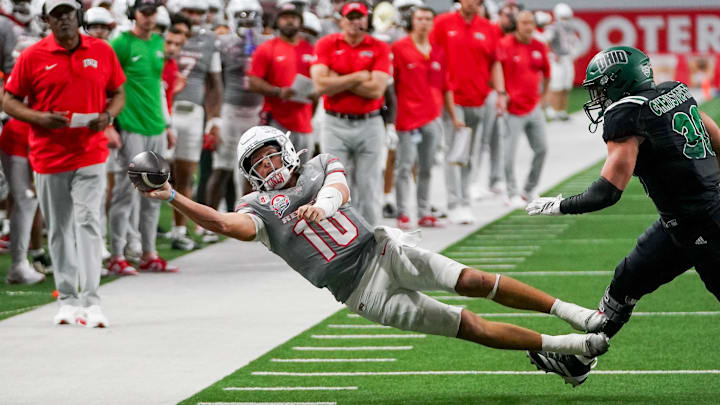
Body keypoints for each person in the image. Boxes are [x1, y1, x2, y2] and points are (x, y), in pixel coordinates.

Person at [140, 125, 610, 373]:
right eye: (256, 162)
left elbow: (338, 189)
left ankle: (573, 312)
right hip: (362, 292)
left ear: (284, 148)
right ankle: (569, 347)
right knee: (468, 326)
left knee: (471, 281)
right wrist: (174, 197)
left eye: (268, 153)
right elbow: (229, 224)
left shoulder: (319, 164)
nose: (266, 165)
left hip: (383, 250)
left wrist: (320, 208)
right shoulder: (256, 206)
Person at [525, 46, 720, 386]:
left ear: (619, 82)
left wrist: (558, 204)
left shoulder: (626, 115)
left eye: (600, 87)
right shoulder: (675, 91)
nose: (597, 96)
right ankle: (580, 358)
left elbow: (606, 193)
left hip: (705, 221)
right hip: (683, 219)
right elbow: (716, 138)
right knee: (628, 278)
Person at [3, 0, 126, 327]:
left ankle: (91, 300)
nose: (64, 20)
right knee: (58, 228)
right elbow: (9, 98)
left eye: (68, 13)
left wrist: (108, 116)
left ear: (78, 15)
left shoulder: (101, 51)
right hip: (48, 154)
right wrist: (38, 117)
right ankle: (68, 298)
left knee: (87, 220)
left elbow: (119, 92)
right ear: (46, 20)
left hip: (90, 151)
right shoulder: (32, 56)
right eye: (56, 15)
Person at [107, 0, 178, 274]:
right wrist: (110, 124)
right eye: (144, 12)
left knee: (157, 190)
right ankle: (116, 255)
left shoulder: (159, 42)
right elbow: (107, 84)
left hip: (155, 126)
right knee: (126, 193)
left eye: (152, 12)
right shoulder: (121, 43)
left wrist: (167, 124)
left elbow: (157, 87)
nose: (149, 17)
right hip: (131, 124)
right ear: (133, 14)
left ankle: (149, 253)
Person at [311, 1, 391, 227]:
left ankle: (373, 236)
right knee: (335, 182)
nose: (355, 22)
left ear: (366, 20)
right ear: (342, 20)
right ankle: (340, 235)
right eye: (351, 17)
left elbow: (376, 89)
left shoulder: (379, 46)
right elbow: (320, 85)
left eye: (360, 17)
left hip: (370, 121)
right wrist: (358, 77)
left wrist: (337, 78)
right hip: (335, 121)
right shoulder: (327, 43)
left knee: (369, 183)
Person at [430, 0, 507, 224]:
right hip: (452, 98)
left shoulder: (489, 27)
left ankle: (465, 198)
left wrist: (500, 93)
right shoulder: (443, 23)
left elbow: (496, 63)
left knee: (470, 153)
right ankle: (456, 203)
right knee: (455, 153)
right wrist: (437, 93)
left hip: (479, 98)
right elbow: (434, 58)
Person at [200, 0, 265, 243]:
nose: (247, 21)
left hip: (257, 110)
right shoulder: (223, 44)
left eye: (251, 16)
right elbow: (214, 83)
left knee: (256, 170)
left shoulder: (265, 44)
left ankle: (250, 220)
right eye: (242, 16)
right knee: (222, 167)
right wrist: (214, 117)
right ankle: (208, 224)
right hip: (230, 108)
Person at [391, 6, 461, 229]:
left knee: (427, 166)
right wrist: (390, 119)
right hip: (407, 118)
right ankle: (402, 212)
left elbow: (446, 85)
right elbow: (391, 86)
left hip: (432, 117)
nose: (423, 22)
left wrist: (453, 116)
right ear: (412, 21)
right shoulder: (399, 48)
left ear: (432, 23)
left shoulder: (439, 51)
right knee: (404, 166)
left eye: (427, 19)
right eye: (419, 18)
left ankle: (423, 211)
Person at [0, 0, 47, 284]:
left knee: (28, 199)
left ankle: (25, 260)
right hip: (18, 127)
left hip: (35, 129)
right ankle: (19, 262)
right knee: (24, 198)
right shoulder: (8, 30)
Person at [170, 0, 222, 250]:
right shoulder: (164, 35)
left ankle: (180, 229)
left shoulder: (210, 41)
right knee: (158, 172)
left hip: (193, 112)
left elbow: (214, 83)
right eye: (189, 12)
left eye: (199, 12)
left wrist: (214, 118)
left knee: (186, 174)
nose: (194, 17)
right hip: (166, 110)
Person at [248, 2, 314, 165]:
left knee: (303, 173)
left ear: (300, 22)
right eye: (285, 18)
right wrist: (278, 91)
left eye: (293, 18)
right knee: (274, 170)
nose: (289, 21)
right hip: (276, 119)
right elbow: (253, 82)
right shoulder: (267, 48)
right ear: (277, 21)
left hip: (304, 120)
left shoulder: (310, 49)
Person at [498, 10, 550, 208]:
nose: (528, 26)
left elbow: (546, 73)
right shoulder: (505, 44)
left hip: (533, 105)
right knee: (509, 153)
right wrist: (502, 93)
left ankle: (529, 188)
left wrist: (544, 97)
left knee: (542, 148)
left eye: (531, 22)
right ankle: (511, 192)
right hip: (512, 108)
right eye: (524, 22)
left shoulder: (538, 45)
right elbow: (495, 70)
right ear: (516, 24)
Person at [543, 2, 579, 121]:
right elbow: (546, 41)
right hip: (557, 60)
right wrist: (551, 55)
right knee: (556, 86)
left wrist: (573, 53)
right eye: (563, 17)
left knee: (566, 85)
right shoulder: (553, 27)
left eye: (567, 17)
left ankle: (562, 110)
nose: (565, 20)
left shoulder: (570, 28)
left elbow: (573, 43)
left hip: (567, 59)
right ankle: (553, 111)